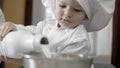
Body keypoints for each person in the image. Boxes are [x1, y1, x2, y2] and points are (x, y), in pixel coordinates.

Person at [0, 0, 115, 64]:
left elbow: (55, 63)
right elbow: (30, 34)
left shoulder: (79, 40)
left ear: (86, 16)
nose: (67, 14)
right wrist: (14, 27)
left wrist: (23, 61)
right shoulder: (47, 25)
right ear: (55, 4)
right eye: (63, 5)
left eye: (77, 10)